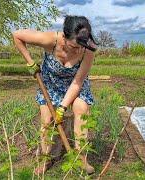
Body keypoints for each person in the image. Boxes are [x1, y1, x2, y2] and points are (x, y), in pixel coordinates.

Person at [12, 15, 97, 175]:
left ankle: (81, 157)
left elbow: (78, 82)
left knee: (81, 108)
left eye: (81, 47)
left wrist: (62, 107)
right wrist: (30, 62)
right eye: (73, 46)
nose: (78, 50)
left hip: (75, 84)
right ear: (64, 37)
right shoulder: (50, 40)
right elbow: (17, 35)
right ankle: (46, 159)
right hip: (50, 84)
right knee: (47, 120)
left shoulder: (89, 50)